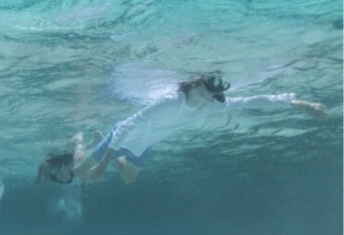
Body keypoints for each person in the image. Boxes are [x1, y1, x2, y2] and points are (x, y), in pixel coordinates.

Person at [76, 73, 327, 184]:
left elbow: (252, 101)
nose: (212, 96)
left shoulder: (210, 106)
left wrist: (299, 103)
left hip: (142, 145)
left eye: (216, 95)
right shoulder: (170, 101)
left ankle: (116, 158)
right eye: (210, 89)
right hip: (120, 136)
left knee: (129, 180)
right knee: (78, 172)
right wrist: (103, 163)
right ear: (196, 84)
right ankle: (80, 145)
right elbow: (128, 125)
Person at [36, 131, 103, 186]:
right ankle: (95, 142)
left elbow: (43, 164)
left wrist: (39, 177)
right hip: (66, 163)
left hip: (62, 161)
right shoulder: (52, 172)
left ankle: (78, 139)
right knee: (79, 163)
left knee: (79, 168)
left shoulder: (51, 169)